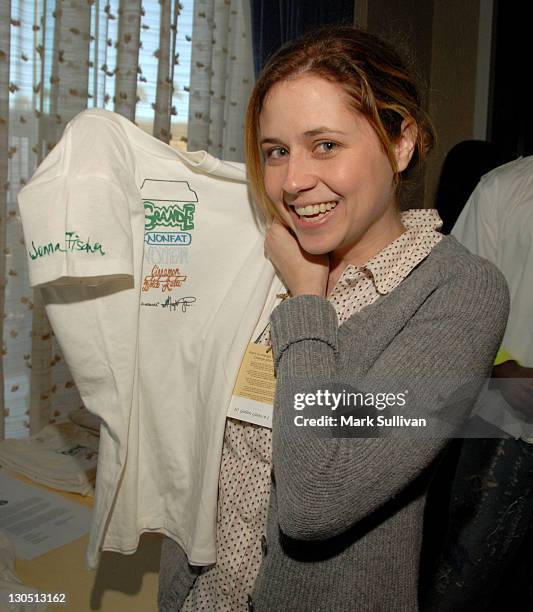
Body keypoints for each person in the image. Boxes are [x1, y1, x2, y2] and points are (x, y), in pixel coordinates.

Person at [158, 26, 509, 611]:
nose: (293, 181)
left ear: (401, 144)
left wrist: (305, 302)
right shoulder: (258, 258)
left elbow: (317, 496)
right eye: (276, 151)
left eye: (325, 145)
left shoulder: (457, 295)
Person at [423, 156, 533, 611]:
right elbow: (455, 305)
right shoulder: (505, 188)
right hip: (505, 428)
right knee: (463, 587)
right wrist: (502, 365)